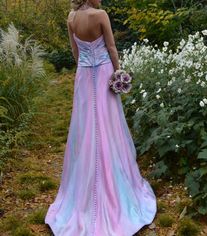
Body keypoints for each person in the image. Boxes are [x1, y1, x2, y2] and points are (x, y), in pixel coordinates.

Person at [44, 0, 157, 235]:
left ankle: (82, 192)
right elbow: (112, 47)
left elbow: (75, 51)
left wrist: (85, 68)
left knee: (86, 128)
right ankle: (115, 183)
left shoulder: (71, 18)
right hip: (105, 72)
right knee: (109, 126)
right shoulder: (101, 14)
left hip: (84, 76)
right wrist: (118, 73)